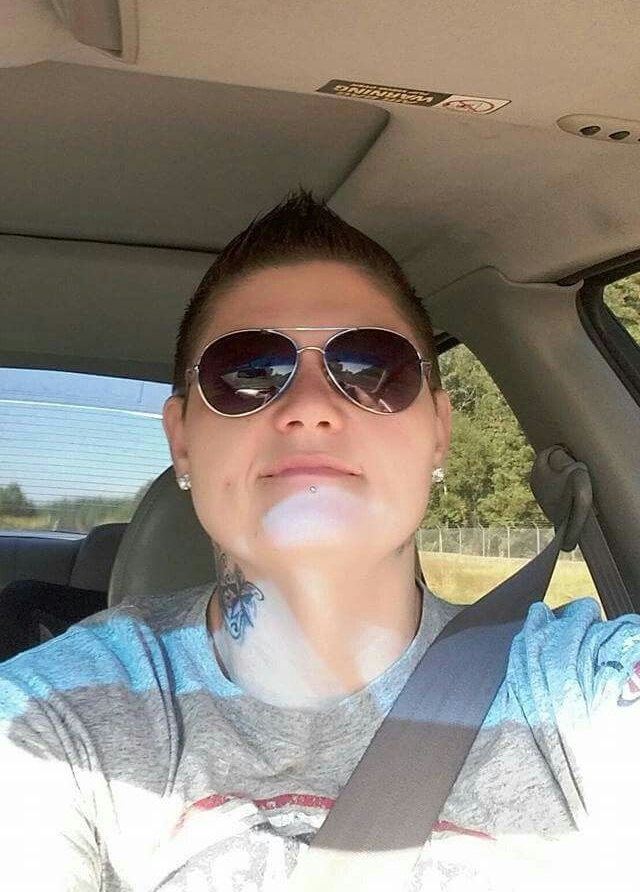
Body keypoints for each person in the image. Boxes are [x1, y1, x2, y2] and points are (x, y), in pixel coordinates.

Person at [0, 190, 639, 891]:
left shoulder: (581, 689)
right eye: (247, 372)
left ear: (438, 432)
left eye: (371, 368)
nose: (309, 409)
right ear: (182, 442)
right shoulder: (54, 717)